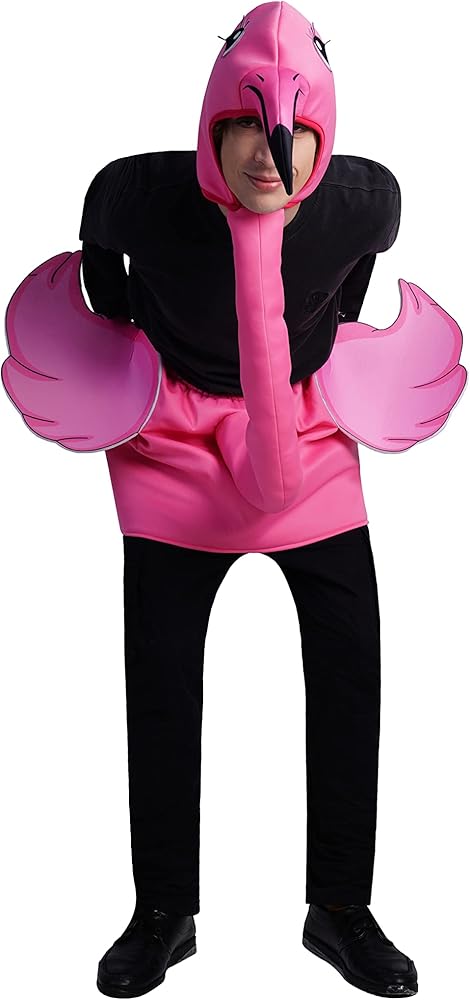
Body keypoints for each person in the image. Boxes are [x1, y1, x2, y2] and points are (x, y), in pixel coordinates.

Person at [2, 3, 465, 997]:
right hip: (172, 444)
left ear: (323, 133)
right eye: (247, 125)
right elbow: (101, 276)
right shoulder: (135, 195)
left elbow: (349, 286)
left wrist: (307, 359)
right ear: (210, 124)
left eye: (294, 130)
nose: (272, 152)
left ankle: (340, 908)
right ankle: (161, 910)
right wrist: (136, 367)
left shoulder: (365, 201)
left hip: (302, 435)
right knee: (161, 678)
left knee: (350, 664)